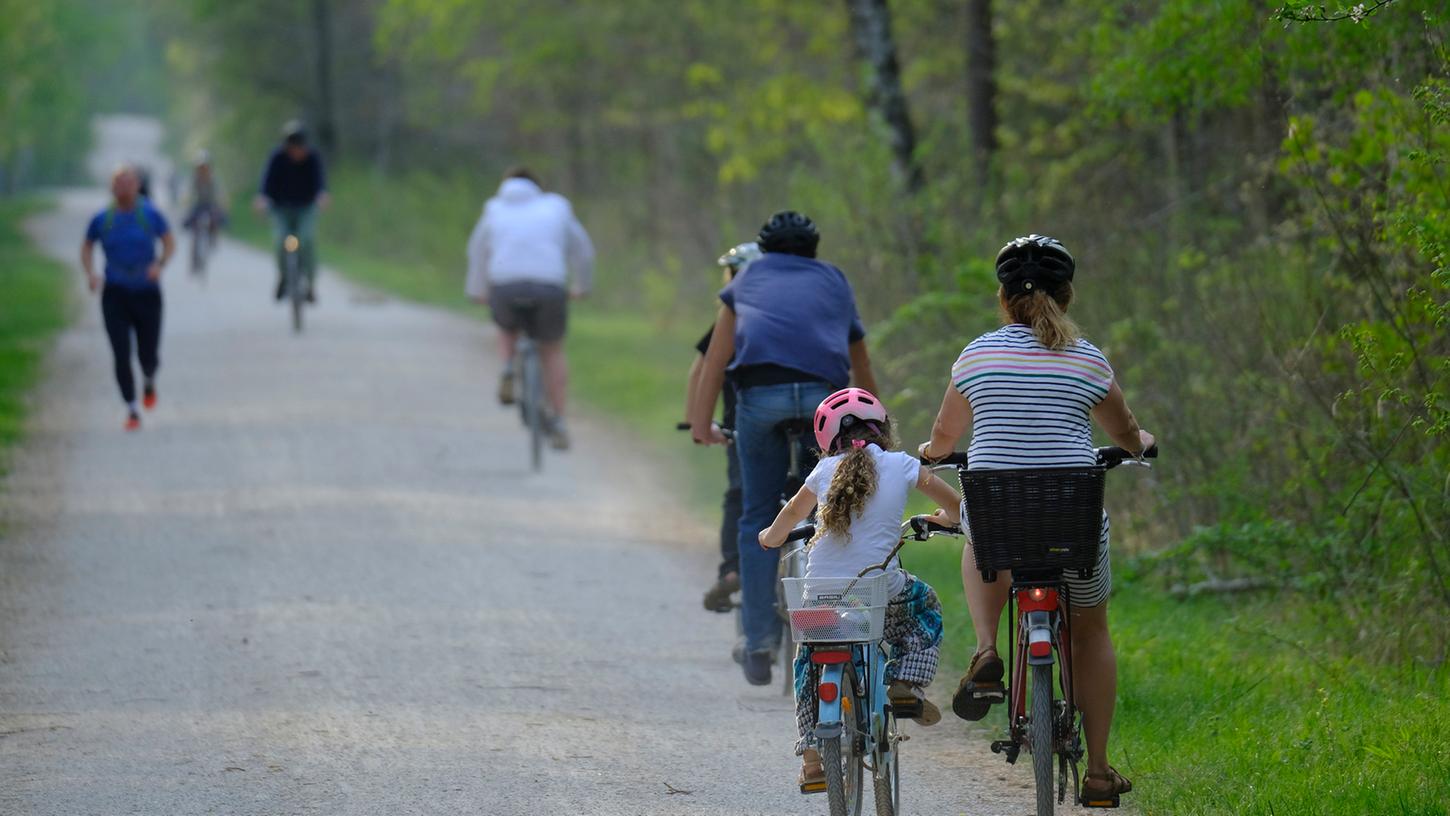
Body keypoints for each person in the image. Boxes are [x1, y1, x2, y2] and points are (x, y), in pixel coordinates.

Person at [918, 234, 1154, 805]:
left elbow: (945, 437)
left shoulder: (976, 356)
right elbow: (1125, 433)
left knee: (979, 526)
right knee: (1092, 630)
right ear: (1067, 295)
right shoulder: (1089, 359)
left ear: (1004, 299)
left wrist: (931, 452)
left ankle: (984, 648)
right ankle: (1098, 771)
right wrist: (1141, 442)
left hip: (1001, 516)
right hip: (1071, 519)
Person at [689, 210, 880, 685]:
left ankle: (756, 644)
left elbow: (716, 359)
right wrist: (877, 423)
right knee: (836, 508)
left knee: (756, 514)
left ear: (766, 250)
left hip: (760, 398)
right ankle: (833, 628)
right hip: (824, 395)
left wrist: (699, 423)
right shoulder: (834, 280)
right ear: (813, 251)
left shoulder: (746, 280)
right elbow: (859, 359)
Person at [759, 388, 961, 789]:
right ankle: (904, 681)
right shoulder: (903, 464)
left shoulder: (822, 472)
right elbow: (955, 506)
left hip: (818, 593)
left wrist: (769, 536)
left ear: (825, 440)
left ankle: (813, 757)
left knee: (808, 660)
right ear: (884, 429)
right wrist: (942, 518)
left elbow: (787, 520)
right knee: (924, 606)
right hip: (877, 588)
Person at [465, 167, 595, 450]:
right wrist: (582, 286)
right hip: (549, 287)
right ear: (539, 187)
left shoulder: (494, 208)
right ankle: (559, 420)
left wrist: (477, 291)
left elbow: (477, 250)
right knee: (552, 350)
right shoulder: (557, 207)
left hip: (505, 285)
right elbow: (583, 250)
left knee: (506, 327)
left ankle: (508, 367)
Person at [688, 241, 762, 614]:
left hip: (743, 427)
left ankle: (732, 568)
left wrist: (696, 422)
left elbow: (701, 372)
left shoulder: (729, 319)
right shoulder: (784, 316)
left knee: (740, 496)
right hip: (802, 424)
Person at [80, 165, 176, 431]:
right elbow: (87, 246)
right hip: (115, 293)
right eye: (118, 183)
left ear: (137, 186)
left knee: (148, 353)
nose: (123, 187)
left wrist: (160, 264)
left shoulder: (150, 214)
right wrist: (91, 273)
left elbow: (169, 241)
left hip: (147, 292)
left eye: (128, 182)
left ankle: (148, 377)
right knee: (121, 352)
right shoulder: (102, 218)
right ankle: (132, 408)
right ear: (112, 188)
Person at [253, 120, 329, 303]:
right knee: (281, 241)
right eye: (292, 147)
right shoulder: (277, 157)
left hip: (306, 208)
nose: (296, 151)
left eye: (299, 147)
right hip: (281, 209)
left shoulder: (313, 158)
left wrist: (322, 195)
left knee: (307, 239)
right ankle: (284, 277)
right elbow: (266, 182)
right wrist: (262, 198)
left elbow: (320, 183)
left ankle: (310, 284)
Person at [182, 150, 227, 271]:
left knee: (217, 218)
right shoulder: (194, 178)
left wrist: (221, 205)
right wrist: (186, 202)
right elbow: (188, 193)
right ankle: (194, 260)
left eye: (205, 166)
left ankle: (214, 238)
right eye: (201, 166)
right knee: (191, 223)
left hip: (210, 205)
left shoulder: (213, 179)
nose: (203, 168)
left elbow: (220, 194)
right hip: (198, 204)